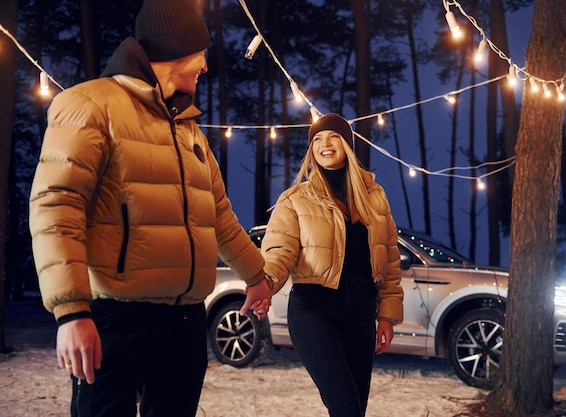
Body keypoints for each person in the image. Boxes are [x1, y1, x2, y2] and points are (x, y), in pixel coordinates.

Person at [28, 0, 271, 416]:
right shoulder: (91, 105)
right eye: (202, 55)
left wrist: (257, 276)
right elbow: (57, 207)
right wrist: (71, 312)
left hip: (184, 324)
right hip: (115, 319)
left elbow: (218, 216)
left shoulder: (188, 128)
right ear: (176, 49)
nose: (206, 67)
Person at [259, 113, 404, 417]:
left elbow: (389, 260)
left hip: (361, 311)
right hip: (314, 309)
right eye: (317, 139)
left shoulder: (375, 197)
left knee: (355, 409)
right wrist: (266, 283)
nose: (325, 144)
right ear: (311, 150)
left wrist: (387, 316)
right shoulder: (295, 199)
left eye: (333, 137)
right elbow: (278, 251)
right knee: (346, 407)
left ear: (347, 145)